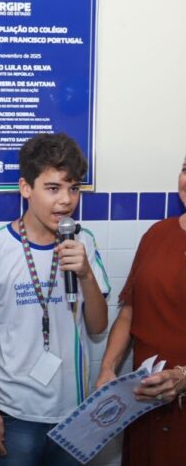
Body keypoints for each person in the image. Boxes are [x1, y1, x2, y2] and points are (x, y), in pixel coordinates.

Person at [0, 132, 110, 466]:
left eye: (74, 188)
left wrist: (86, 275)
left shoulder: (83, 242)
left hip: (73, 410)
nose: (66, 200)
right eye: (53, 188)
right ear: (26, 188)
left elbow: (98, 327)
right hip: (14, 411)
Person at [95, 153, 186, 465]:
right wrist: (108, 367)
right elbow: (129, 312)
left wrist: (183, 377)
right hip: (145, 403)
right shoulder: (157, 234)